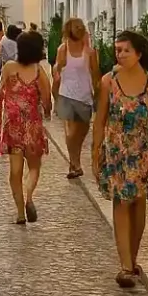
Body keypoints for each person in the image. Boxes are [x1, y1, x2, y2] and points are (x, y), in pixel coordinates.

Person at [93, 29, 148, 289]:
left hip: (143, 152)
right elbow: (100, 118)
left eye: (126, 50)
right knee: (121, 203)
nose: (121, 54)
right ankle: (126, 265)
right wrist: (95, 152)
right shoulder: (108, 81)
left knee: (139, 204)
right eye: (118, 50)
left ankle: (133, 258)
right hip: (117, 152)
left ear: (139, 53)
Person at [0, 29, 52, 224]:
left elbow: (1, 88)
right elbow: (47, 101)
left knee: (15, 171)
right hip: (33, 126)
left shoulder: (9, 68)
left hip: (13, 125)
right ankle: (29, 196)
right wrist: (46, 111)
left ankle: (20, 213)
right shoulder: (39, 72)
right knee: (34, 167)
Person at [53, 17, 100, 179]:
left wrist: (98, 95)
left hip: (85, 95)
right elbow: (56, 71)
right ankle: (74, 164)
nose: (79, 28)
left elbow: (95, 74)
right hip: (67, 94)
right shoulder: (62, 49)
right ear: (69, 29)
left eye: (81, 26)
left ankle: (76, 162)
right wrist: (58, 69)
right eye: (76, 26)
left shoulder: (90, 51)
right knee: (72, 132)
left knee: (82, 130)